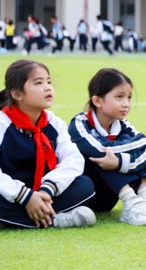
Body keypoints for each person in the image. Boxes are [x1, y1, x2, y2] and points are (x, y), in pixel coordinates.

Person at [68, 68, 146, 225]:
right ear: (97, 101)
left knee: (122, 146)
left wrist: (120, 162)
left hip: (109, 198)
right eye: (119, 97)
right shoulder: (79, 123)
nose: (126, 104)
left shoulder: (122, 124)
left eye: (129, 97)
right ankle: (131, 200)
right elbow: (99, 151)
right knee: (102, 157)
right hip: (86, 194)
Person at [0, 60, 96, 228]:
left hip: (43, 192)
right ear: (17, 94)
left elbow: (73, 159)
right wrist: (25, 196)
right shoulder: (3, 122)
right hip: (10, 193)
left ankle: (21, 219)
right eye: (39, 83)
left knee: (85, 185)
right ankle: (54, 220)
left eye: (49, 82)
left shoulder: (53, 122)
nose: (48, 87)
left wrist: (46, 190)